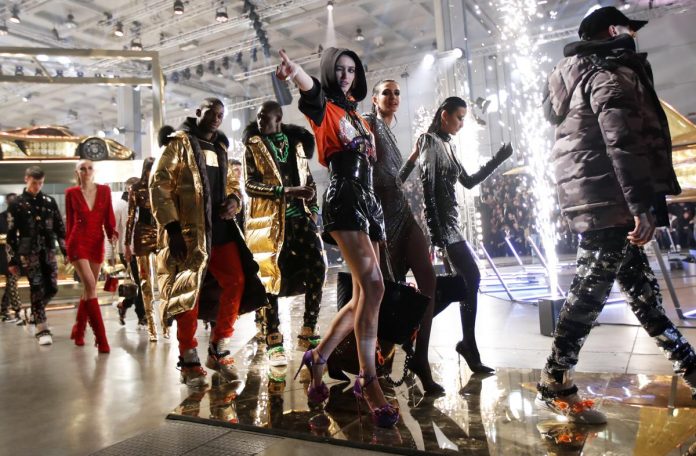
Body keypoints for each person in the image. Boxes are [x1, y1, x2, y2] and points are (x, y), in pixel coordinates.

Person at [538, 6, 696, 424]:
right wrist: (640, 204)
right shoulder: (607, 72)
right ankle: (554, 380)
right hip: (609, 198)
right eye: (629, 28)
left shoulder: (579, 73)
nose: (634, 35)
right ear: (613, 30)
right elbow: (621, 140)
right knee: (590, 291)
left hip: (597, 196)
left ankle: (691, 366)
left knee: (643, 294)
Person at [277, 47, 399, 427]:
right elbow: (310, 90)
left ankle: (318, 358)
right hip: (344, 196)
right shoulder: (324, 107)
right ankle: (368, 379)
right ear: (331, 72)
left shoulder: (358, 117)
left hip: (368, 199)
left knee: (365, 294)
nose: (346, 75)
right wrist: (296, 71)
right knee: (374, 287)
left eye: (351, 70)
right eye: (340, 70)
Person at [151, 97, 266, 387]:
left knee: (237, 280)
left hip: (221, 230)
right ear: (198, 113)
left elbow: (232, 184)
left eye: (220, 114)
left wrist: (234, 200)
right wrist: (173, 229)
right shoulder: (178, 144)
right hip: (189, 233)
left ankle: (219, 345)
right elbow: (160, 185)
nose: (216, 118)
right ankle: (188, 357)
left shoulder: (221, 147)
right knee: (188, 292)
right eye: (211, 113)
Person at [407, 96, 512, 373]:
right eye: (459, 117)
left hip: (453, 224)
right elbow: (428, 190)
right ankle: (449, 338)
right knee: (470, 279)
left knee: (463, 284)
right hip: (444, 227)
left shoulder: (449, 145)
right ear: (445, 115)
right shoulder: (429, 141)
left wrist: (498, 160)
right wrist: (438, 236)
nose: (462, 124)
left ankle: (431, 333)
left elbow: (468, 181)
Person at [363, 80, 443, 394]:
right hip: (381, 218)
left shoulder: (391, 134)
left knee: (429, 281)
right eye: (386, 92)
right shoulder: (368, 124)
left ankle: (421, 357)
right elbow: (368, 175)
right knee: (386, 294)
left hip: (403, 213)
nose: (393, 97)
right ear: (375, 99)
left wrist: (412, 157)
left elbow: (395, 180)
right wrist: (371, 224)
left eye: (397, 92)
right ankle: (378, 364)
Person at [243, 100, 326, 366]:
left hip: (300, 219)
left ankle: (309, 329)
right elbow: (249, 185)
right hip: (268, 223)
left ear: (277, 118)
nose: (259, 122)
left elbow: (308, 179)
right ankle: (273, 338)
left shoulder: (297, 145)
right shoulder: (253, 146)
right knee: (270, 277)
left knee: (318, 266)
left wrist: (313, 210)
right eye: (258, 117)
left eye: (264, 117)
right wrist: (285, 191)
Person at [6, 167, 67, 345]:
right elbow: (11, 235)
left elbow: (60, 228)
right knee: (37, 286)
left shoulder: (49, 202)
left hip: (48, 250)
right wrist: (12, 260)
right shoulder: (16, 204)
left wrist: (66, 251)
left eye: (40, 183)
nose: (37, 186)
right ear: (26, 179)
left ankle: (34, 311)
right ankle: (42, 327)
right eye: (34, 183)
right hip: (28, 252)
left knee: (52, 287)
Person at [65, 160, 117, 353]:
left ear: (94, 171)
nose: (86, 171)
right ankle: (101, 339)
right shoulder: (71, 193)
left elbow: (108, 216)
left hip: (96, 242)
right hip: (77, 242)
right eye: (82, 169)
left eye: (89, 168)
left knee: (89, 289)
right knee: (91, 286)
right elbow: (70, 223)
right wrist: (66, 248)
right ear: (77, 172)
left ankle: (79, 330)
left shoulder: (105, 190)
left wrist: (112, 233)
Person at [125, 158, 163, 341]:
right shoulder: (137, 188)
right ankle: (151, 325)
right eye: (150, 168)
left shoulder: (162, 185)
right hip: (142, 235)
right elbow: (130, 217)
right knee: (145, 282)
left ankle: (165, 322)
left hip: (161, 233)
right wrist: (127, 244)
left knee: (164, 279)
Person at [113, 177, 147, 329]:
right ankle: (142, 316)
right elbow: (114, 231)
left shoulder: (142, 204)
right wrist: (111, 255)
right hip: (127, 251)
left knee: (142, 283)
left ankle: (124, 304)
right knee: (140, 283)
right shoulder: (120, 205)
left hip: (142, 249)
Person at [1, 193, 22, 323]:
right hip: (4, 256)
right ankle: (17, 310)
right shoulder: (1, 218)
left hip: (18, 255)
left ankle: (5, 310)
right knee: (12, 282)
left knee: (11, 283)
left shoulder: (21, 217)